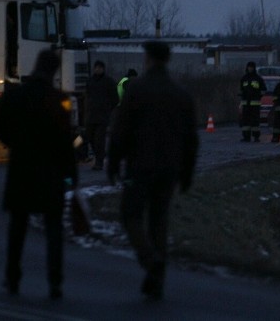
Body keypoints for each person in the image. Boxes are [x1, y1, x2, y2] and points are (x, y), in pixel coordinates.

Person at [107, 40, 199, 300]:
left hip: (140, 166)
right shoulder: (181, 94)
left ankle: (150, 260)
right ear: (168, 60)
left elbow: (120, 130)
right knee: (159, 221)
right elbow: (191, 139)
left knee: (130, 215)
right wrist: (187, 172)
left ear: (148, 58)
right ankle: (156, 280)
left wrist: (114, 161)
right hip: (169, 169)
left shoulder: (136, 90)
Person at [0, 49, 78, 300]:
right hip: (50, 172)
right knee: (53, 228)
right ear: (54, 71)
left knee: (17, 226)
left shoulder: (15, 96)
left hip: (22, 168)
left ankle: (12, 277)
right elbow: (65, 141)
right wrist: (71, 175)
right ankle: (55, 282)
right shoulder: (59, 100)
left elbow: (0, 128)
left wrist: (17, 145)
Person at [85, 60, 118, 170]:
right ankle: (100, 155)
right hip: (91, 116)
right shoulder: (90, 81)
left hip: (102, 117)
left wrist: (107, 109)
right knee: (90, 138)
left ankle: (99, 162)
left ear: (103, 69)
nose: (98, 69)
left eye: (100, 67)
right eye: (96, 67)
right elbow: (87, 95)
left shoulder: (109, 82)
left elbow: (115, 98)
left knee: (99, 140)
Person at [239, 61, 267, 142]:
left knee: (255, 121)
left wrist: (258, 96)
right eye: (249, 67)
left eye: (251, 67)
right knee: (245, 121)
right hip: (246, 104)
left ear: (254, 68)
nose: (250, 68)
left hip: (255, 104)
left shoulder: (258, 79)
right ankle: (246, 136)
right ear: (247, 68)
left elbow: (263, 90)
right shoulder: (244, 78)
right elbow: (241, 90)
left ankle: (256, 136)